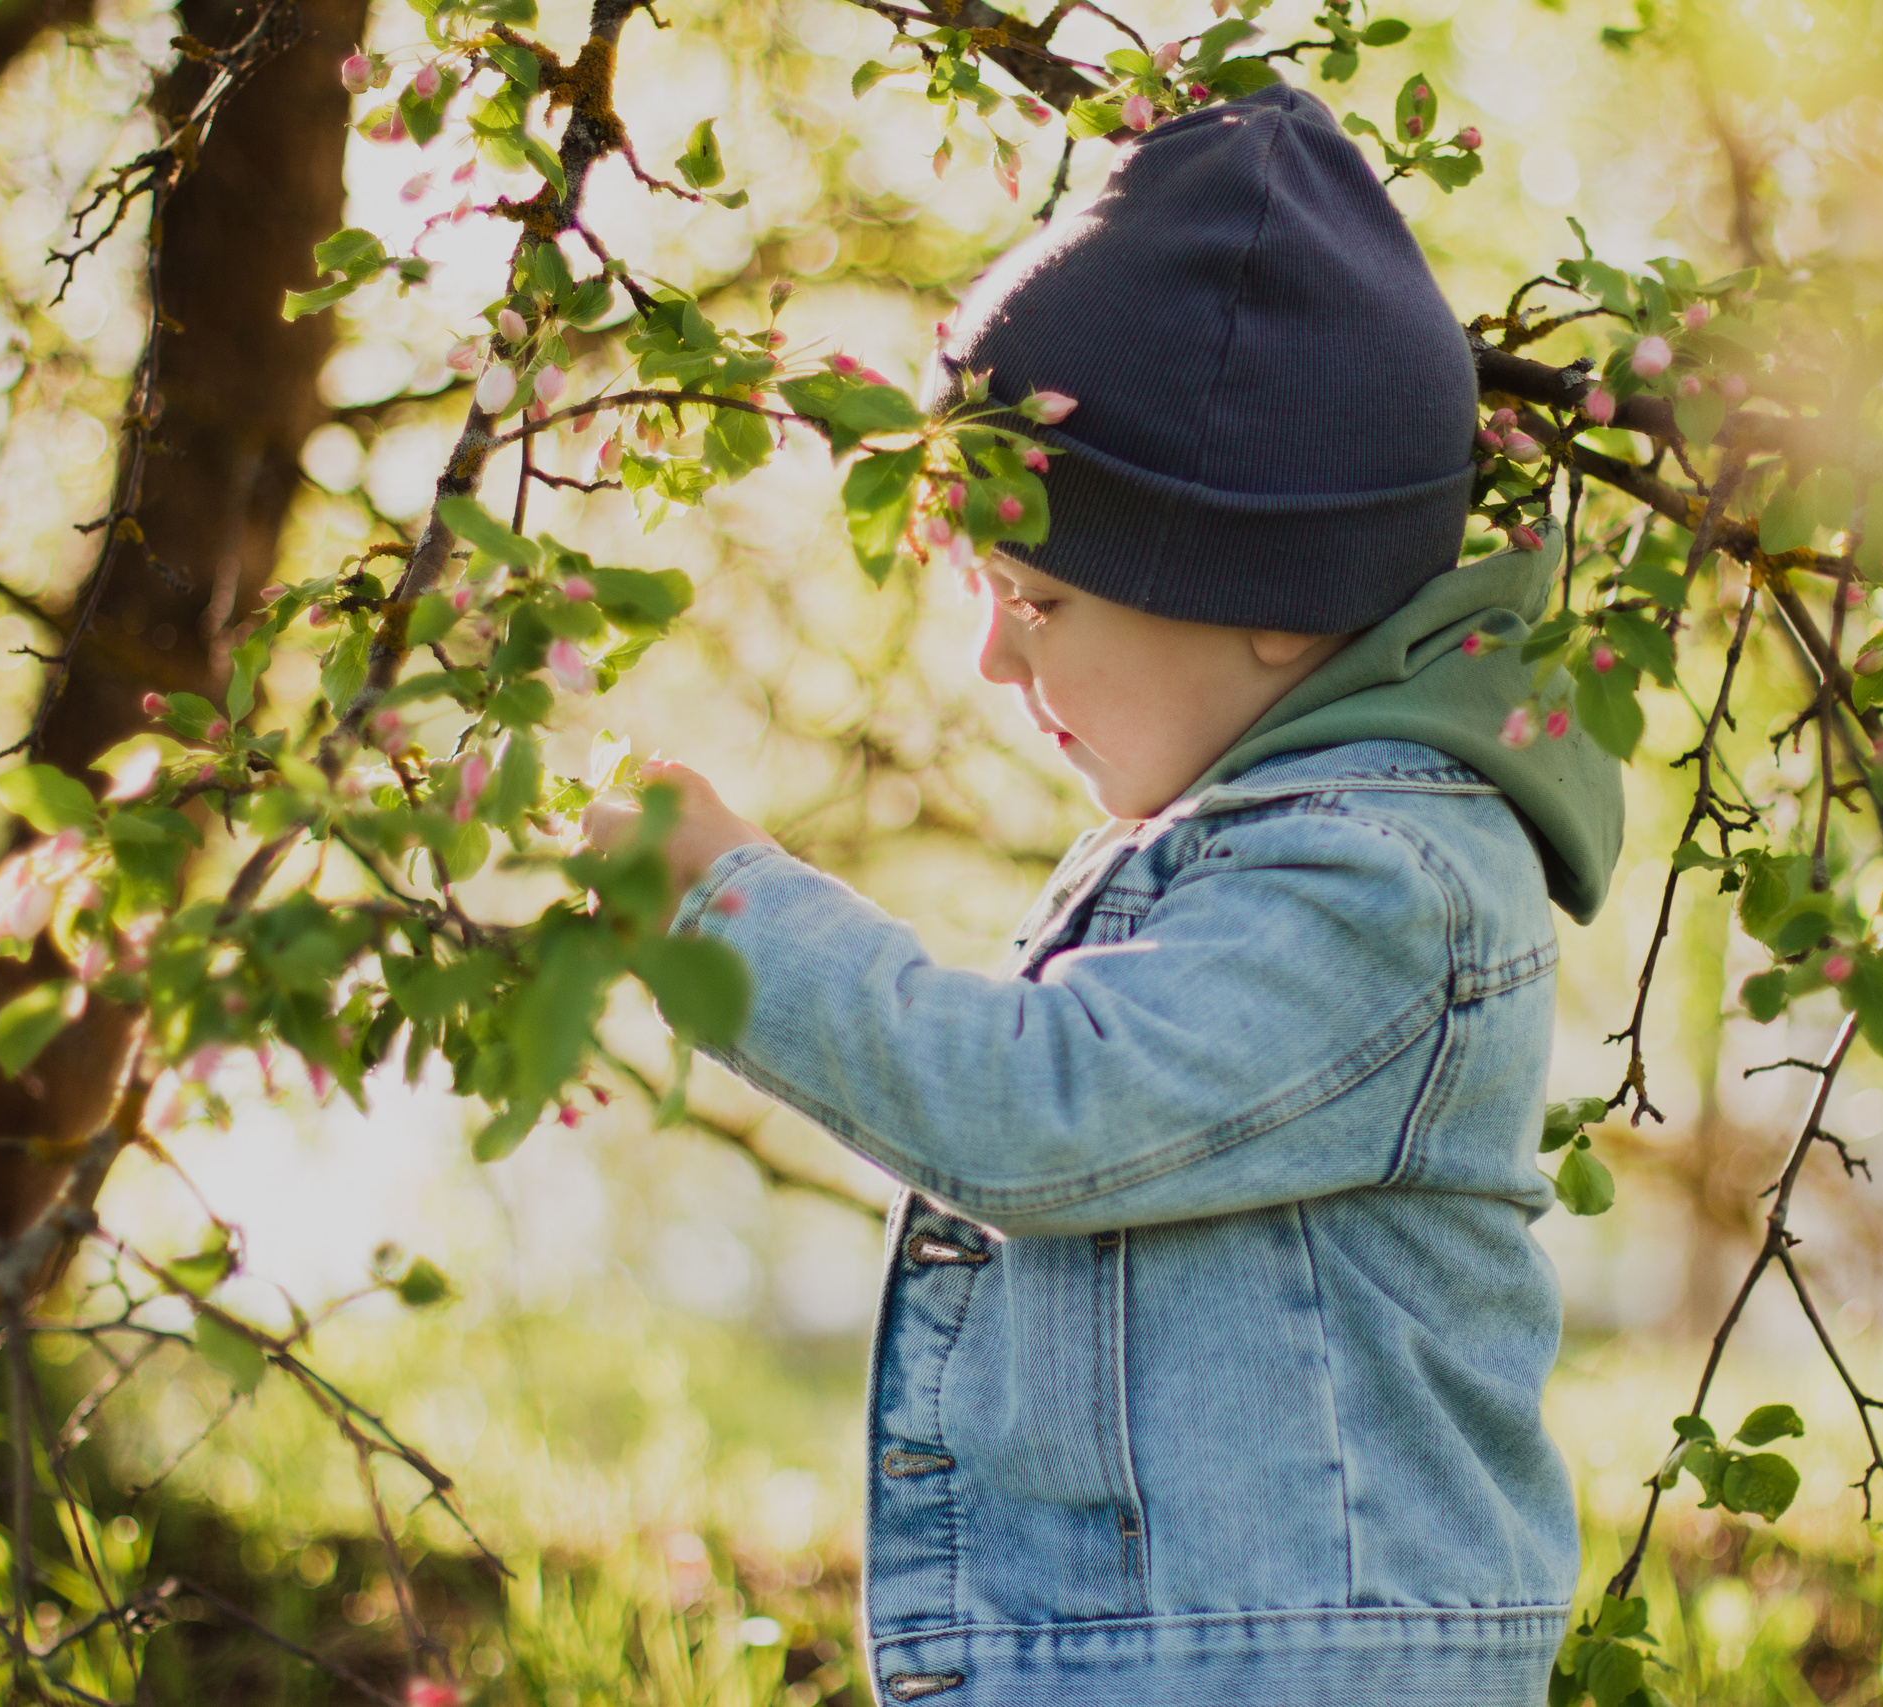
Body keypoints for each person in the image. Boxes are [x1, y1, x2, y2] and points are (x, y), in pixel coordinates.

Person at [584, 82, 1623, 1707]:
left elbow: (1032, 1113)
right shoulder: (1264, 843)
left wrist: (722, 907)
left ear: (1269, 600)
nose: (995, 657)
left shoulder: (1382, 879)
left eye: (1041, 600)